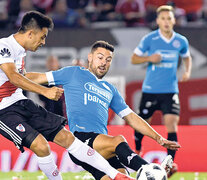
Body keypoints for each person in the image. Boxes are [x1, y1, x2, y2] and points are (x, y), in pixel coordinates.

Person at [0, 11, 137, 180]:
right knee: (41, 146)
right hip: (3, 110)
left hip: (20, 101)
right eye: (42, 37)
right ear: (30, 33)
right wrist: (45, 91)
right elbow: (14, 77)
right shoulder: (4, 46)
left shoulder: (21, 51)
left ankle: (115, 175)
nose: (43, 42)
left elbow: (21, 77)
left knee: (67, 137)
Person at [25, 40, 181, 179]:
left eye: (108, 60)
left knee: (122, 176)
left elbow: (131, 117)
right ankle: (148, 170)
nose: (104, 63)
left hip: (101, 147)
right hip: (81, 140)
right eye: (100, 57)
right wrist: (13, 76)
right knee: (118, 140)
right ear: (90, 57)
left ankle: (148, 173)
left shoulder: (110, 89)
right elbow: (38, 77)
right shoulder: (73, 72)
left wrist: (158, 138)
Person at [131, 5, 192, 177]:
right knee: (143, 123)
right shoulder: (149, 39)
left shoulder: (181, 41)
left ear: (174, 20)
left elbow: (187, 57)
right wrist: (149, 58)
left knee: (171, 123)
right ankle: (137, 150)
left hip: (170, 90)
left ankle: (170, 163)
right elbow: (134, 58)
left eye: (169, 18)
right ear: (158, 21)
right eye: (163, 18)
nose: (166, 21)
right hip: (150, 89)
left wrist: (187, 71)